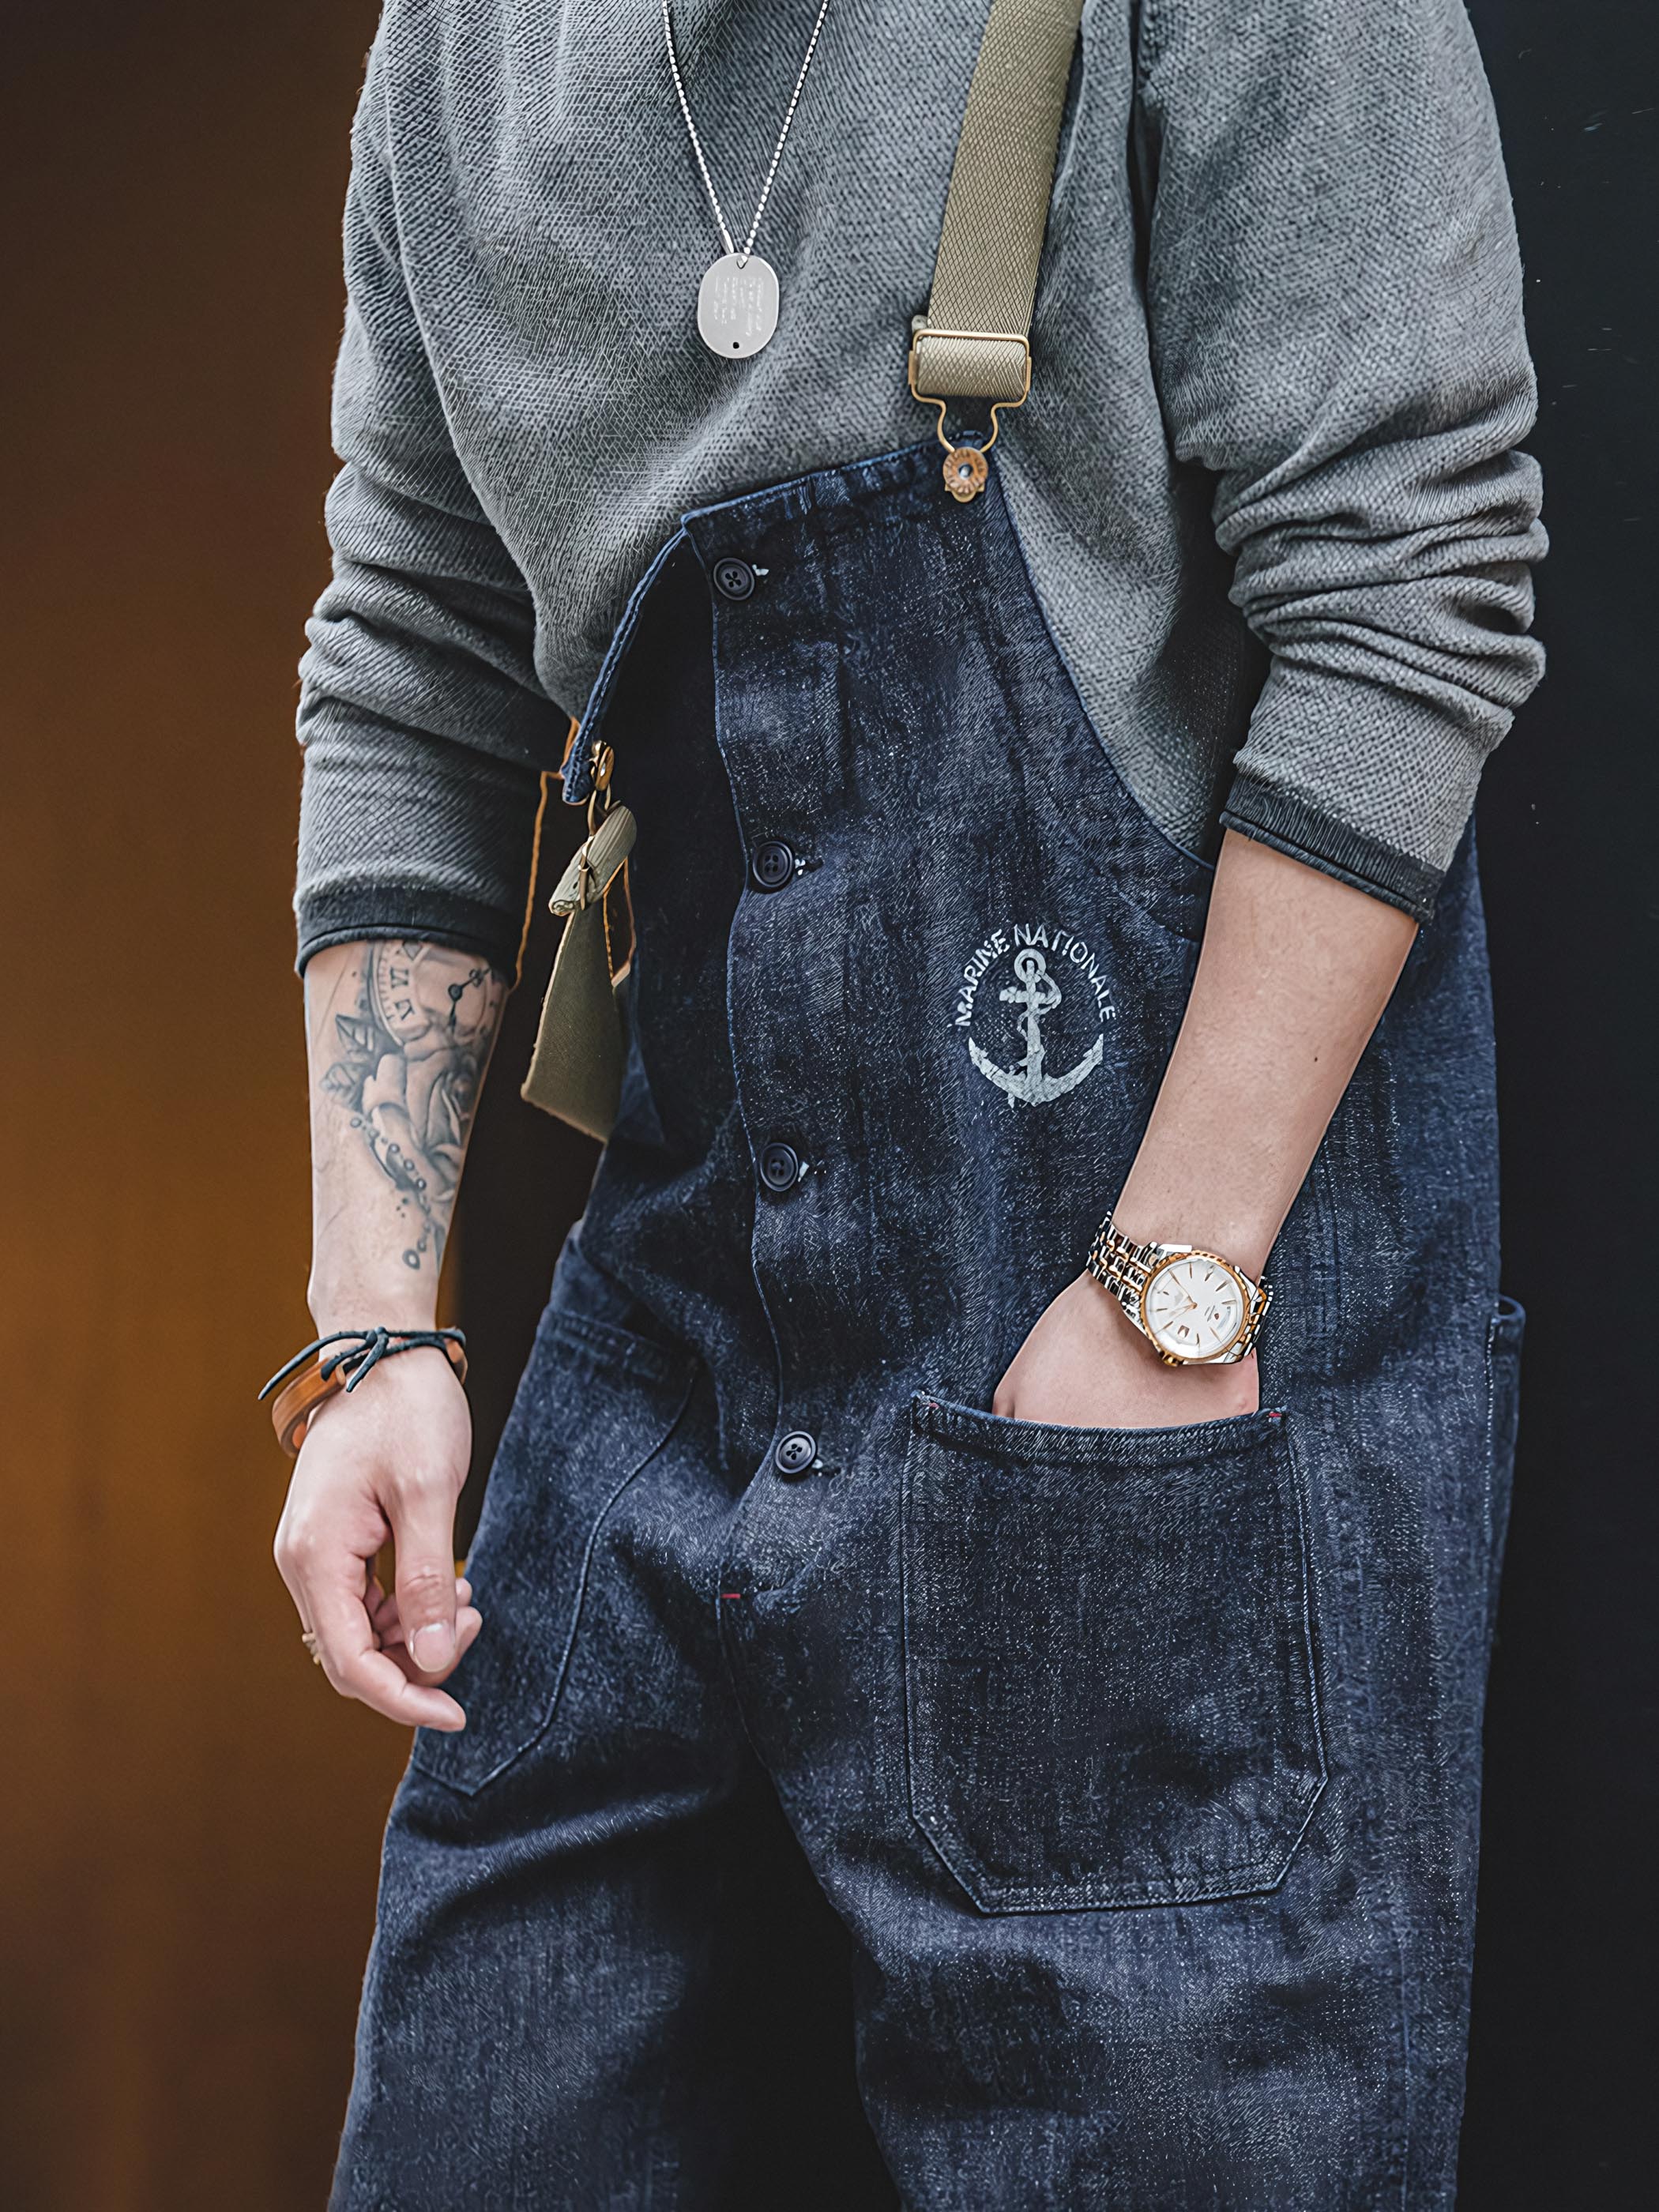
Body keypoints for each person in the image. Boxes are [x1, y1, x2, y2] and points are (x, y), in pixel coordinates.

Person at [271, 2, 1544, 2203]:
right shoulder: (451, 55)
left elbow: (1411, 582)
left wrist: (1170, 1290)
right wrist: (374, 1329)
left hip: (1162, 1320)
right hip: (681, 1334)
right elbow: (413, 650)